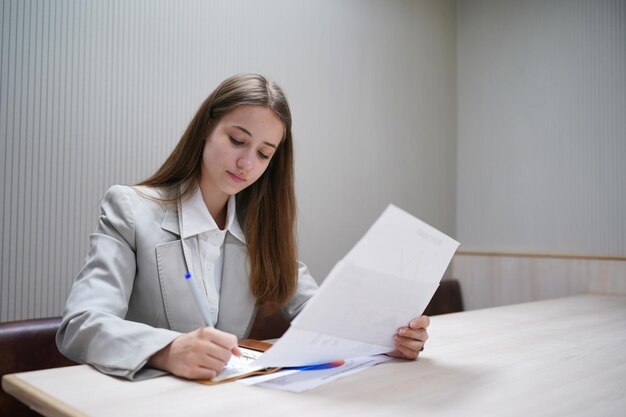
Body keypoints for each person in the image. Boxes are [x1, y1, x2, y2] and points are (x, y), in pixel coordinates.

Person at [56, 73, 430, 381]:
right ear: (206, 129)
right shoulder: (131, 209)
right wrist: (168, 350)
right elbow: (81, 324)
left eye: (265, 153)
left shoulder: (259, 228)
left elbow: (321, 314)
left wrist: (385, 337)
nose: (247, 163)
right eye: (237, 140)